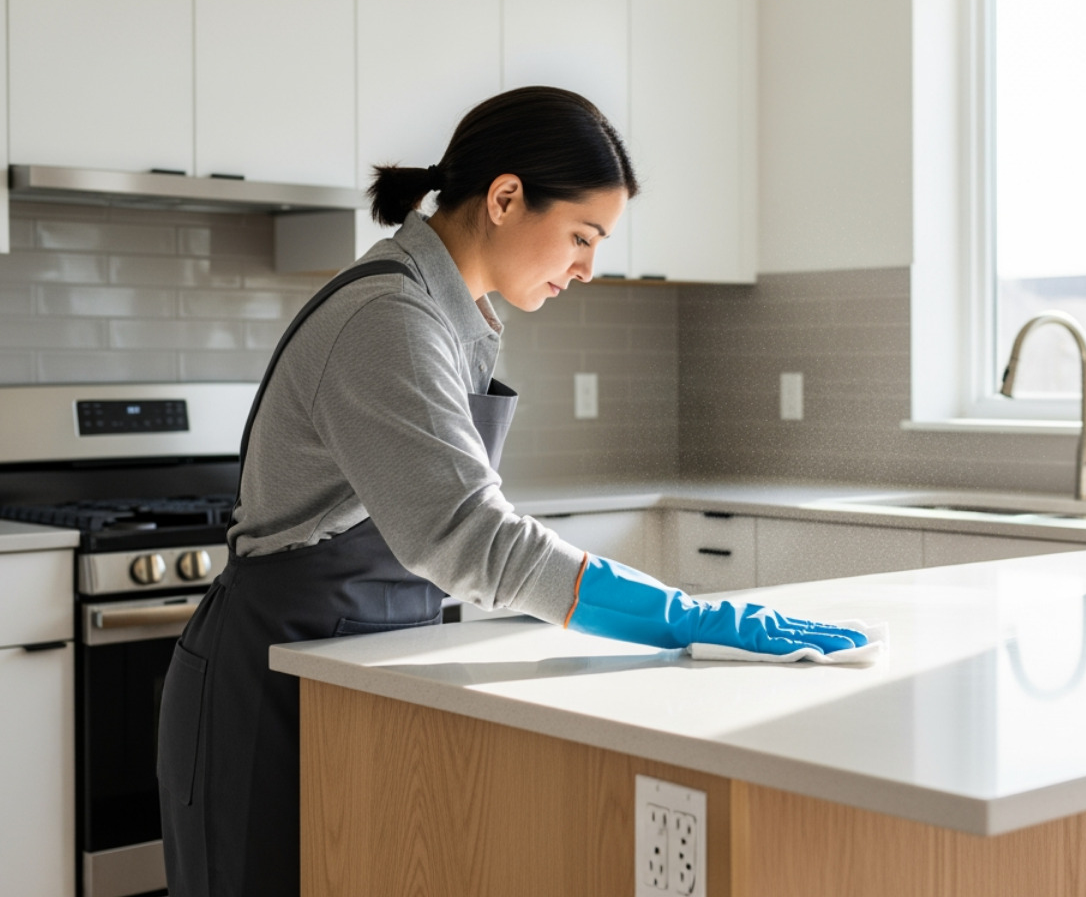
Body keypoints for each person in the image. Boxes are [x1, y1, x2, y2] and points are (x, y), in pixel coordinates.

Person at [156, 86, 868, 897]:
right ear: (504, 198)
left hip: (350, 669)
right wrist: (680, 614)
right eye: (582, 235)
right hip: (268, 690)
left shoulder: (447, 314)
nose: (589, 268)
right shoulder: (389, 318)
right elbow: (468, 535)